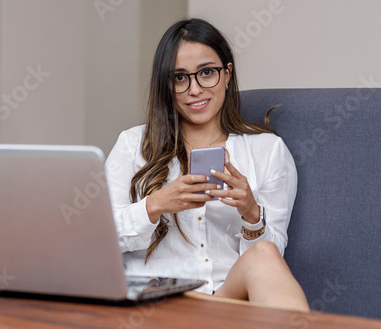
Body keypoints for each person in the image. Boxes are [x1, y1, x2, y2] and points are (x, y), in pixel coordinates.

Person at [105, 18, 309, 311]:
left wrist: (252, 215)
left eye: (207, 73)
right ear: (166, 85)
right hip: (156, 304)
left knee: (264, 254)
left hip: (227, 301)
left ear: (227, 74)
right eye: (180, 77)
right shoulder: (132, 145)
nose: (195, 89)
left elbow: (273, 260)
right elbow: (100, 242)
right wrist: (155, 205)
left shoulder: (267, 150)